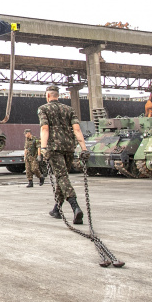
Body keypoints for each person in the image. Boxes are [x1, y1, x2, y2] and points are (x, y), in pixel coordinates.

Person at [38, 85, 89, 224]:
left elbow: (44, 128)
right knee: (62, 178)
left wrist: (43, 147)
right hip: (69, 147)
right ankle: (57, 208)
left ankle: (75, 207)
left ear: (48, 96)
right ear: (57, 96)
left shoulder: (44, 109)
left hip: (54, 148)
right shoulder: (69, 110)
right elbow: (77, 130)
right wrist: (83, 149)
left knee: (61, 176)